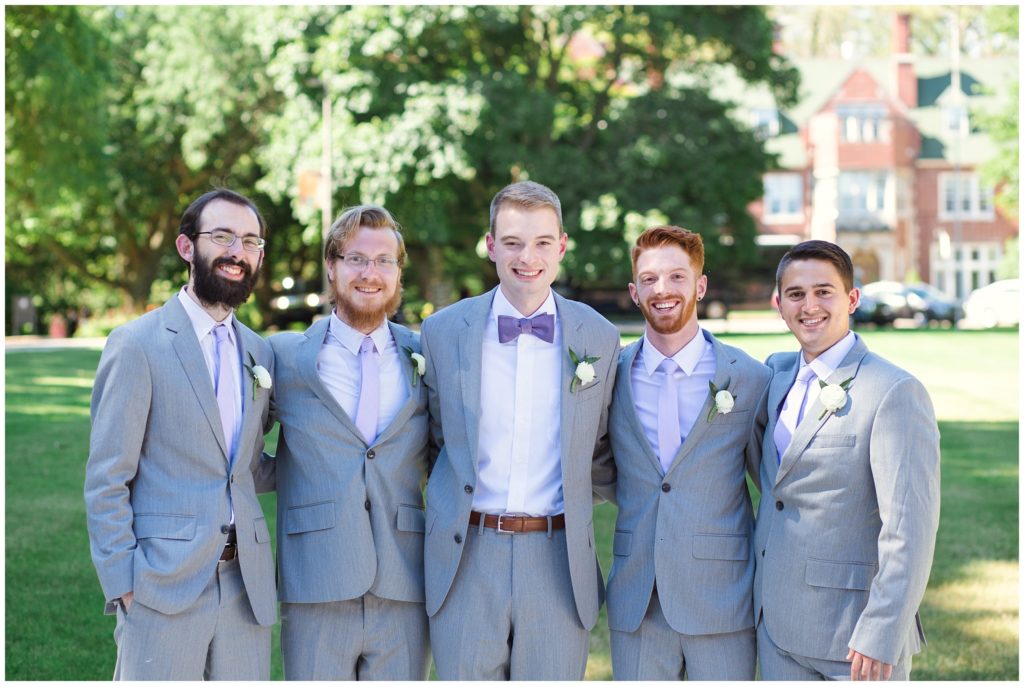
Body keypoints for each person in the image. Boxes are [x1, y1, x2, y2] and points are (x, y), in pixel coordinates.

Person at [420, 180, 620, 680]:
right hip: (467, 552)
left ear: (562, 246)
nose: (526, 256)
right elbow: (431, 439)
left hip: (558, 555)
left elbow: (601, 446)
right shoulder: (443, 332)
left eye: (541, 242)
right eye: (511, 242)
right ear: (490, 246)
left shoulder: (599, 336)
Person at [84, 188, 276, 680]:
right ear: (187, 248)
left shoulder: (259, 353)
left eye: (251, 241)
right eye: (223, 236)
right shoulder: (136, 345)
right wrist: (124, 583)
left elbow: (247, 467)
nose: (238, 251)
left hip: (245, 588)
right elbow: (108, 478)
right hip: (160, 587)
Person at [754, 239, 941, 680]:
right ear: (779, 305)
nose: (810, 305)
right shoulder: (775, 375)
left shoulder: (893, 391)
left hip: (853, 635)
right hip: (775, 625)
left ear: (852, 298)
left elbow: (910, 528)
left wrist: (882, 631)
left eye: (824, 291)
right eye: (796, 294)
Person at [266, 205, 430, 680]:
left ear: (398, 274)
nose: (370, 273)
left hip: (405, 581)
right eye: (357, 258)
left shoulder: (425, 355)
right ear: (332, 266)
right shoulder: (285, 358)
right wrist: (292, 474)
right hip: (315, 580)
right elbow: (236, 453)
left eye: (384, 261)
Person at [605, 226, 770, 680]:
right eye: (650, 279)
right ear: (634, 292)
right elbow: (597, 461)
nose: (663, 290)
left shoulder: (748, 378)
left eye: (677, 277)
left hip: (722, 599)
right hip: (637, 599)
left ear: (700, 285)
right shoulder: (608, 375)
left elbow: (774, 486)